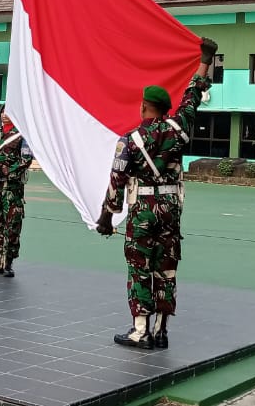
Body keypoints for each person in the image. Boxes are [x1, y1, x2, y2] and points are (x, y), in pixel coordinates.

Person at [97, 37, 217, 350]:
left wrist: (107, 217)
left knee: (140, 266)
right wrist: (205, 60)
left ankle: (140, 331)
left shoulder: (130, 140)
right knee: (166, 266)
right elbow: (193, 95)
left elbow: (117, 179)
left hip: (144, 210)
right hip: (170, 207)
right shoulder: (180, 128)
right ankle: (162, 330)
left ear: (144, 106)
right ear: (167, 108)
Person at [0, 109, 35, 278]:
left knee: (12, 224)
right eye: (2, 111)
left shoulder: (22, 135)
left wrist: (6, 173)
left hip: (12, 188)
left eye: (9, 111)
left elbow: (26, 160)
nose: (4, 114)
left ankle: (8, 263)